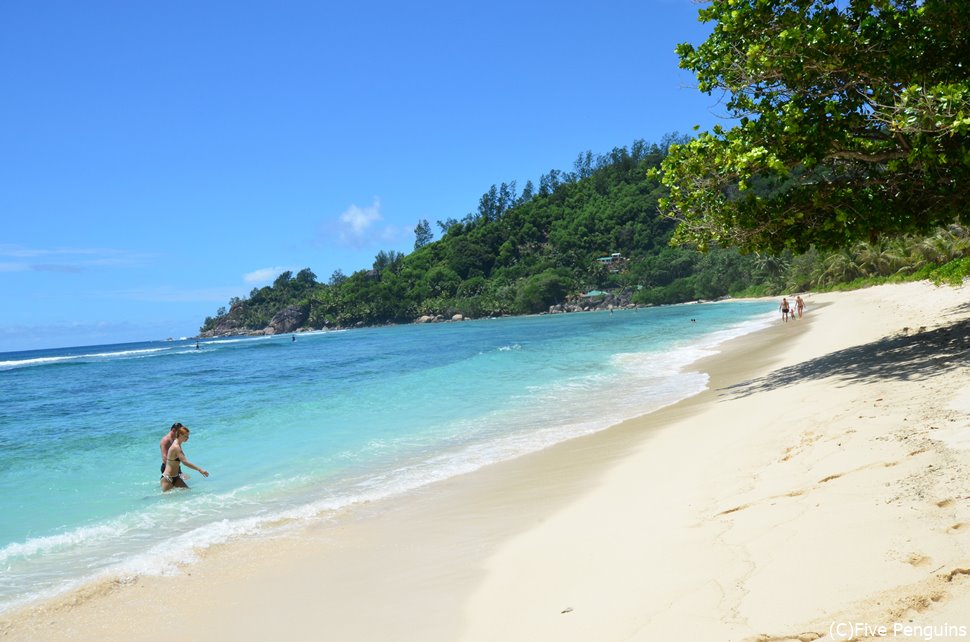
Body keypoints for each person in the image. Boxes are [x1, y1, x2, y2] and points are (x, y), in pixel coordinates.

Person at [161, 425, 209, 491]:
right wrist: (200, 469)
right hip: (167, 478)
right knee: (166, 500)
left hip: (176, 477)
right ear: (180, 435)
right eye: (186, 436)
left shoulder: (177, 444)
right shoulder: (176, 447)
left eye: (188, 436)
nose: (187, 438)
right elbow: (185, 462)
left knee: (188, 493)